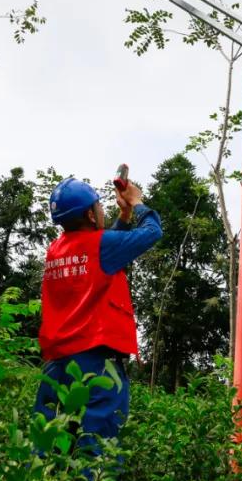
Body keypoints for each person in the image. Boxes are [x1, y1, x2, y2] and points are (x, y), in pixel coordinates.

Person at [35, 176, 162, 463]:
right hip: (96, 363)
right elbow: (153, 232)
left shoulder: (56, 250)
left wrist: (124, 217)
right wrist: (137, 203)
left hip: (57, 364)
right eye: (99, 206)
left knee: (54, 447)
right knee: (97, 452)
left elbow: (100, 254)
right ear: (91, 215)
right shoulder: (100, 246)